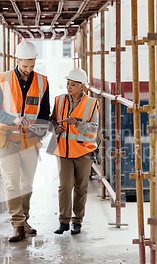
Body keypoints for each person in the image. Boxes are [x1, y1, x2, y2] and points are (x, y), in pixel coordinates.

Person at [0, 41, 50, 242]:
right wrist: (12, 119)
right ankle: (17, 224)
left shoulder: (42, 82)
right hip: (8, 139)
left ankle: (24, 220)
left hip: (30, 140)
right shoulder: (3, 79)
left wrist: (40, 133)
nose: (28, 70)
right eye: (25, 66)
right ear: (17, 61)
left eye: (32, 66)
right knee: (12, 183)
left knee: (27, 184)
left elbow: (43, 113)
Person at [49, 68, 99, 235]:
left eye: (73, 84)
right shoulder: (59, 100)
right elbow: (52, 119)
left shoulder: (92, 103)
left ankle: (77, 221)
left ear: (82, 86)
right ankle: (63, 221)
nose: (69, 87)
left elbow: (94, 128)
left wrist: (76, 123)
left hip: (84, 152)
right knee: (65, 187)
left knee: (81, 187)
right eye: (68, 83)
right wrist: (56, 126)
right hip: (63, 150)